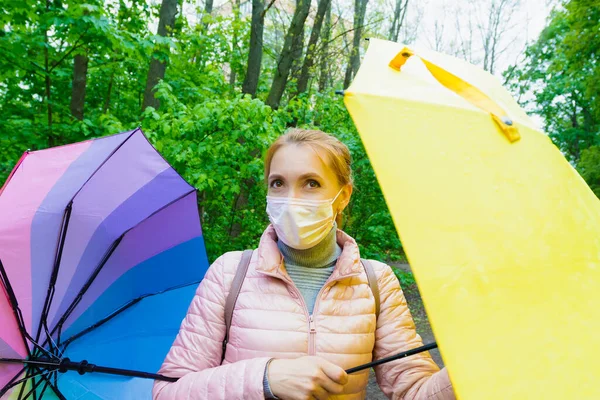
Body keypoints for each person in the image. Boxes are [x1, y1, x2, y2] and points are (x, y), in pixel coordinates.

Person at [153, 129, 455, 400]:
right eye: (278, 183)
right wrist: (266, 379)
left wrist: (472, 372)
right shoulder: (230, 272)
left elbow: (415, 391)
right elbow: (169, 390)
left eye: (311, 183)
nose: (291, 199)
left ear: (342, 197)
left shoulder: (377, 281)